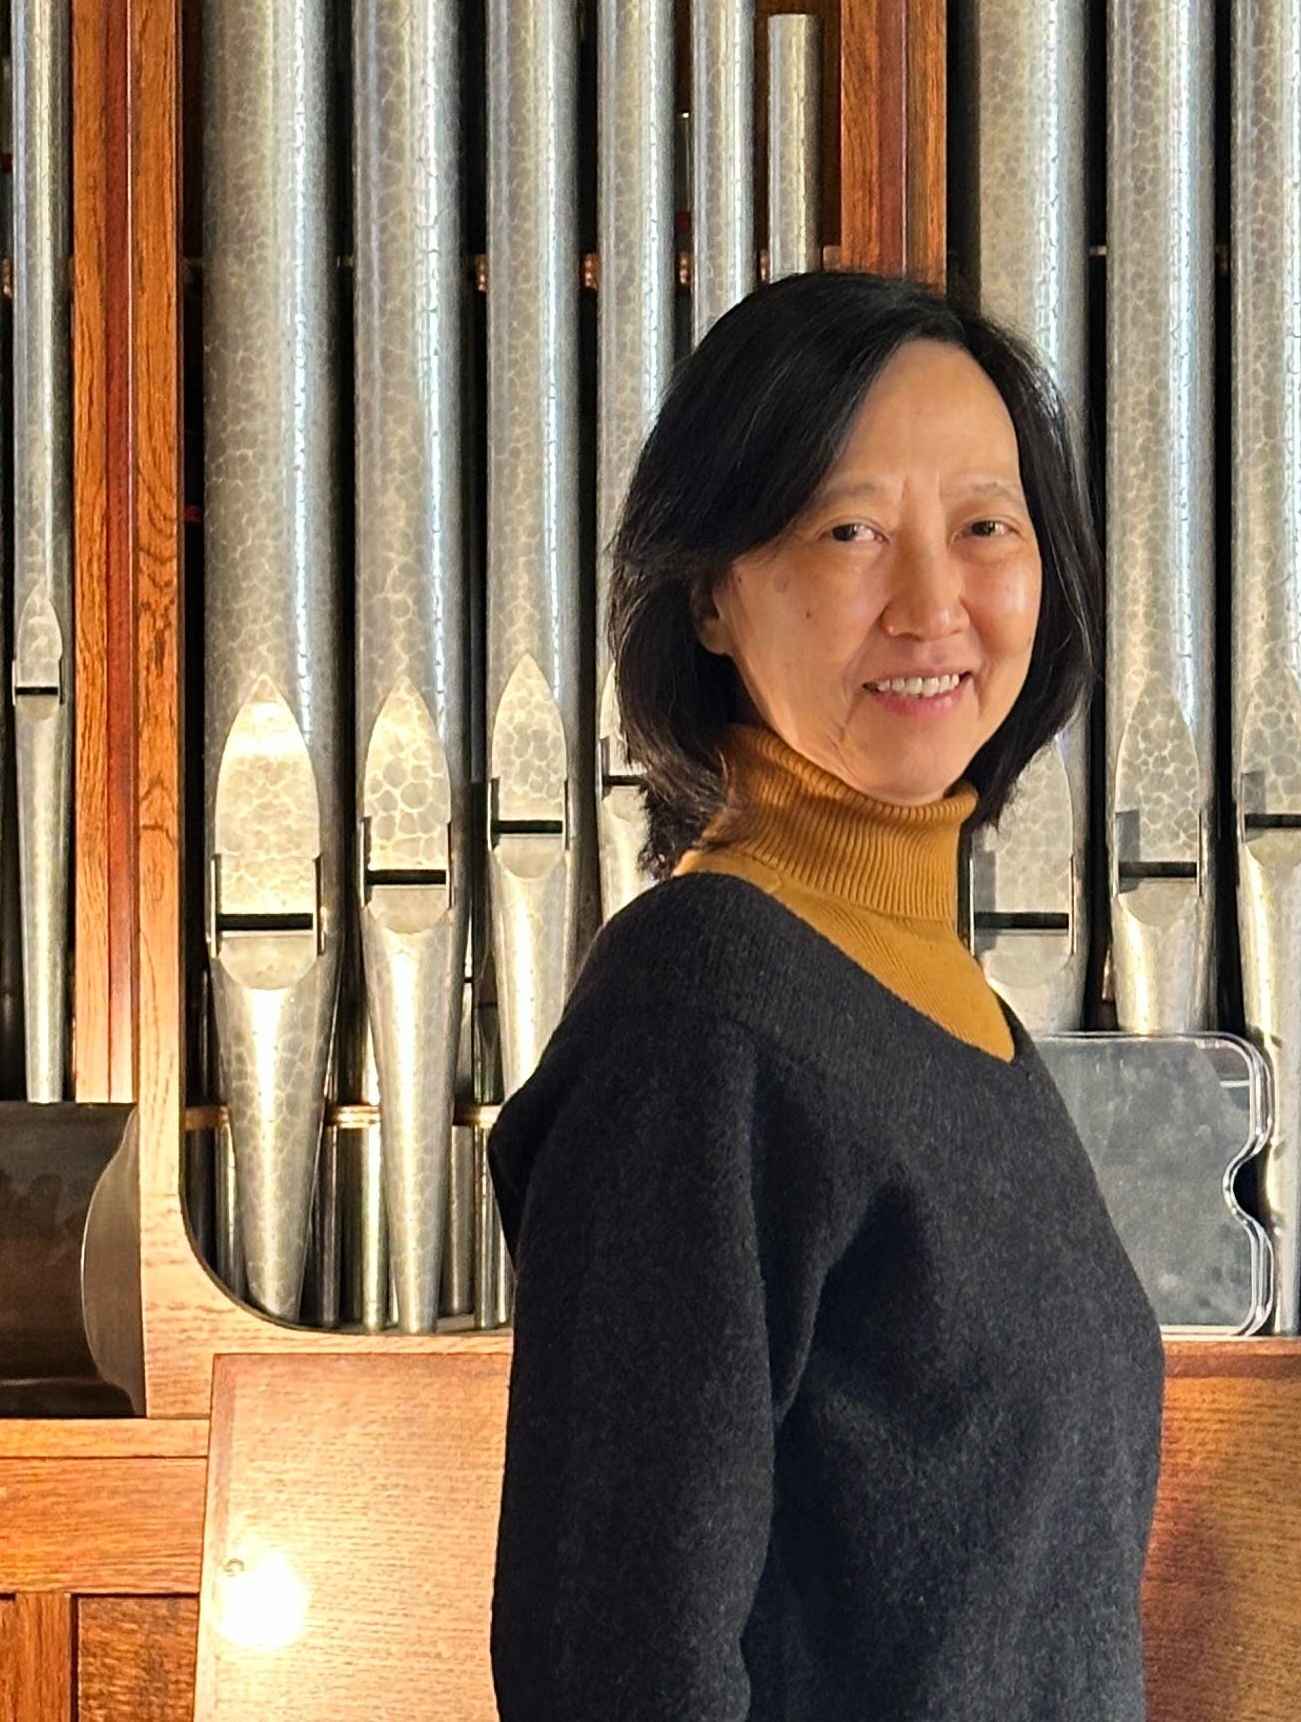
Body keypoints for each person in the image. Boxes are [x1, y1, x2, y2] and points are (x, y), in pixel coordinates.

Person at [487, 270, 1162, 1719]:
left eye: (986, 527)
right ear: (716, 595)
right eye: (851, 530)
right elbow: (616, 1670)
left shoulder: (957, 1015)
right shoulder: (704, 1010)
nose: (935, 603)